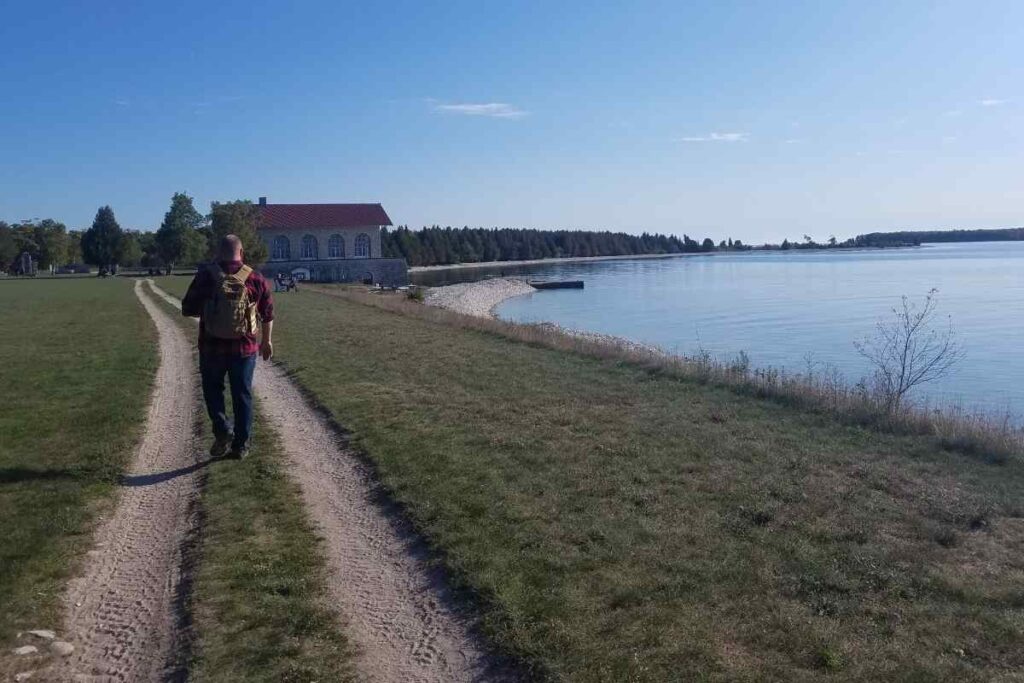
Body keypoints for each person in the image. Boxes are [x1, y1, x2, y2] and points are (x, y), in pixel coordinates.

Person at [182, 234, 274, 460]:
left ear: (218, 252)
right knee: (242, 395)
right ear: (241, 252)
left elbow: (187, 308)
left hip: (211, 347)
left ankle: (223, 430)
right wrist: (266, 341)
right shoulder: (255, 277)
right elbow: (267, 313)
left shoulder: (206, 277)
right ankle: (241, 446)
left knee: (213, 392)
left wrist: (211, 309)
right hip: (244, 349)